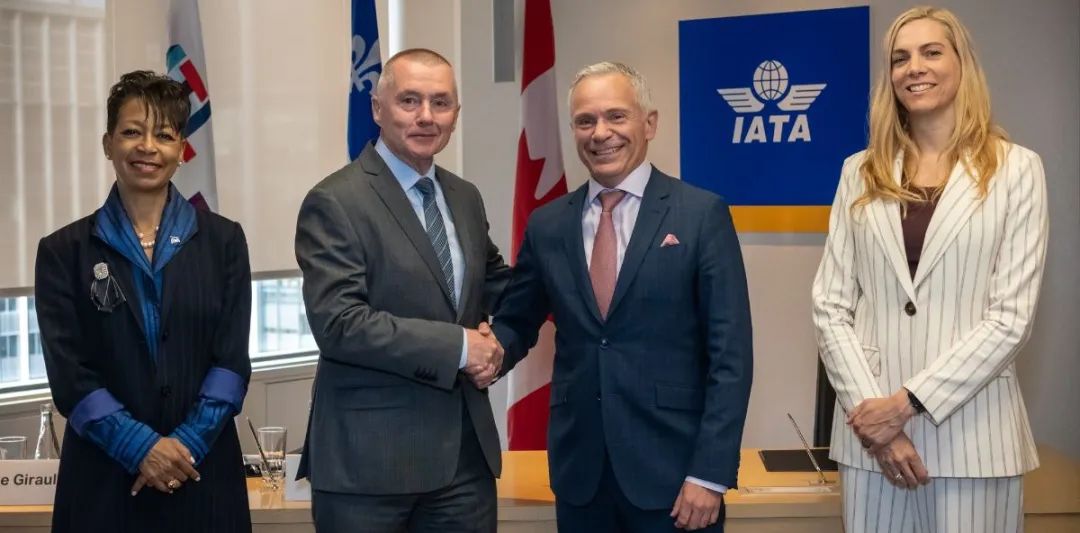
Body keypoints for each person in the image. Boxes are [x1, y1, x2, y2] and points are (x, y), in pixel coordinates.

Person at [811, 6, 1047, 533]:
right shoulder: (859, 172)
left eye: (931, 52)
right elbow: (830, 306)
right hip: (872, 445)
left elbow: (1011, 318)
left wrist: (906, 404)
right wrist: (878, 422)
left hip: (974, 437)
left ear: (962, 64)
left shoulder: (1016, 170)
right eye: (900, 58)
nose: (914, 67)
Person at [490, 62, 753, 532]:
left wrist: (709, 474)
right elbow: (517, 321)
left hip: (676, 480)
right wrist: (475, 353)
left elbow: (730, 356)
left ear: (648, 124)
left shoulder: (700, 214)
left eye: (616, 116)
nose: (600, 133)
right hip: (581, 478)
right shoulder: (549, 225)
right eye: (585, 121)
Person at [294, 48, 510, 532]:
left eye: (441, 102)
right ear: (378, 108)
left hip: (464, 464)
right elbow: (340, 324)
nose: (426, 116)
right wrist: (461, 347)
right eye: (409, 100)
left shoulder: (464, 196)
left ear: (456, 114)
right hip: (368, 467)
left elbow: (495, 284)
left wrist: (567, 271)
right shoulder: (334, 201)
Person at [35, 71, 253, 532]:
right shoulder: (63, 251)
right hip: (103, 482)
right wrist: (140, 448)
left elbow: (231, 362)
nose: (147, 147)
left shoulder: (224, 241)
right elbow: (70, 376)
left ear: (182, 149)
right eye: (132, 132)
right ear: (108, 143)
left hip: (202, 476)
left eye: (164, 135)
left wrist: (185, 445)